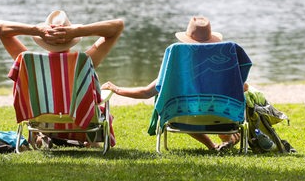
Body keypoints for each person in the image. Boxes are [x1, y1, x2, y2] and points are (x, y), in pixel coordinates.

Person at [101, 16, 245, 152]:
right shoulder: (223, 67)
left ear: (187, 41)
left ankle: (212, 145)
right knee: (217, 104)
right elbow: (242, 89)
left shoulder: (177, 66)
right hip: (225, 121)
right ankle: (228, 138)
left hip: (182, 120)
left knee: (182, 106)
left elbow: (146, 92)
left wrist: (116, 89)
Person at [0, 10, 124, 148]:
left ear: (43, 39)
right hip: (81, 124)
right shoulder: (83, 61)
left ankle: (42, 136)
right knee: (99, 104)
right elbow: (118, 26)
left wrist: (36, 30)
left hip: (43, 124)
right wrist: (77, 31)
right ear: (71, 39)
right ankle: (90, 140)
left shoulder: (28, 62)